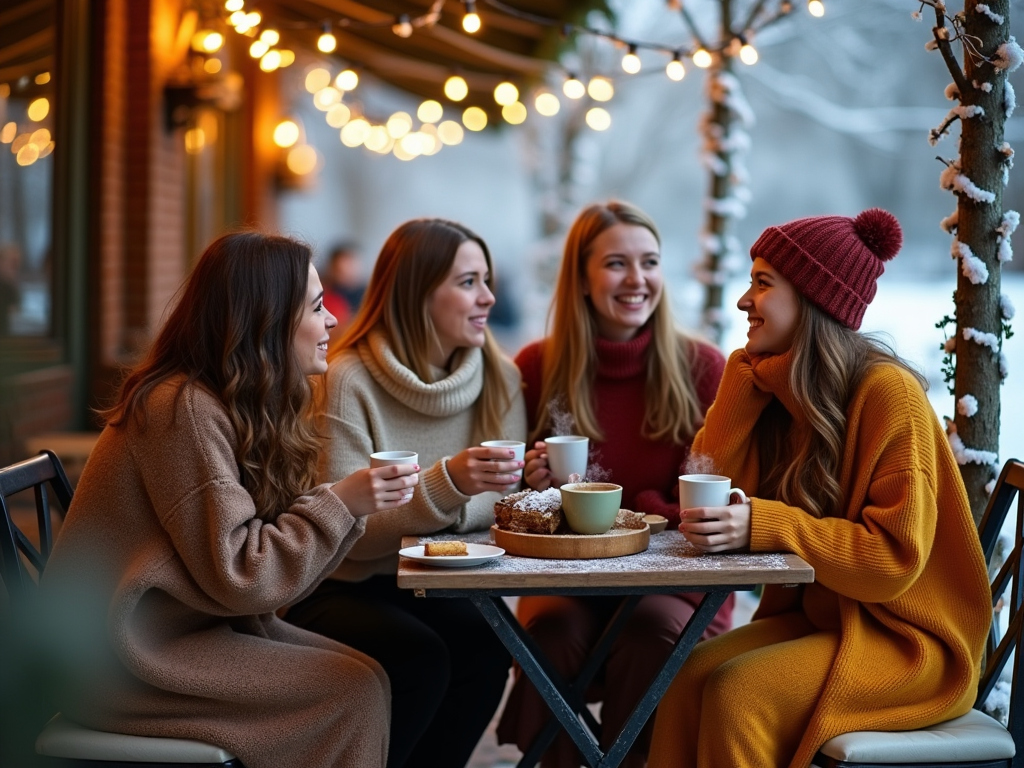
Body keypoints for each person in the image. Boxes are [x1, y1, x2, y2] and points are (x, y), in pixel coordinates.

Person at [41, 232, 418, 768]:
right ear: (265, 321)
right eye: (314, 307)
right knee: (350, 692)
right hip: (116, 660)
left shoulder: (231, 401)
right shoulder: (182, 409)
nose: (333, 318)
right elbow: (243, 574)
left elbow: (261, 586)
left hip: (179, 634)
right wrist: (341, 503)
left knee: (372, 676)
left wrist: (345, 504)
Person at [648, 209, 992, 768]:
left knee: (741, 694)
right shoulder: (784, 389)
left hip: (910, 642)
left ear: (811, 299)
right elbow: (713, 478)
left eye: (762, 283)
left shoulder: (890, 397)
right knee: (686, 675)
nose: (744, 301)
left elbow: (891, 562)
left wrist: (769, 523)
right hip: (828, 620)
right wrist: (741, 380)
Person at [286, 218, 528, 768]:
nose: (488, 296)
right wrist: (452, 483)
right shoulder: (348, 380)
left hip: (439, 582)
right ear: (418, 293)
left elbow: (505, 502)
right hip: (339, 584)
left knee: (488, 655)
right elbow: (348, 532)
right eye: (468, 282)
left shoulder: (499, 375)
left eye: (486, 280)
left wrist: (452, 496)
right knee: (421, 660)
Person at [496, 201, 729, 768]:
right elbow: (503, 504)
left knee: (651, 632)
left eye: (649, 262)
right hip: (570, 577)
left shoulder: (702, 368)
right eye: (617, 264)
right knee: (548, 633)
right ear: (580, 276)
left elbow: (720, 497)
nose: (638, 279)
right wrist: (534, 491)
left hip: (678, 583)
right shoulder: (537, 366)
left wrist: (638, 509)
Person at [322, 240, 366, 331]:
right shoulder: (324, 297)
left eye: (352, 263)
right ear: (332, 268)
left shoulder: (369, 294)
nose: (350, 270)